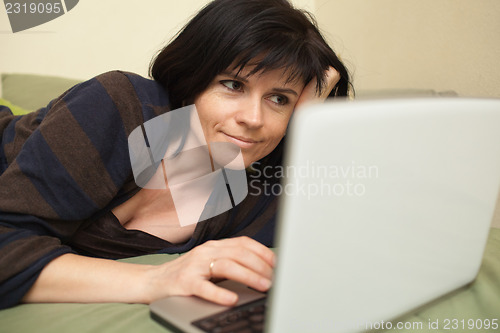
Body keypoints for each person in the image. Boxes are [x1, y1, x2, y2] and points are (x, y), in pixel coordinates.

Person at [0, 0, 351, 309]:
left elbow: (349, 237)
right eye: (233, 85)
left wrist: (307, 128)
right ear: (192, 77)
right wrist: (155, 281)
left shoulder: (262, 192)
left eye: (279, 98)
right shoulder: (115, 107)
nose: (254, 119)